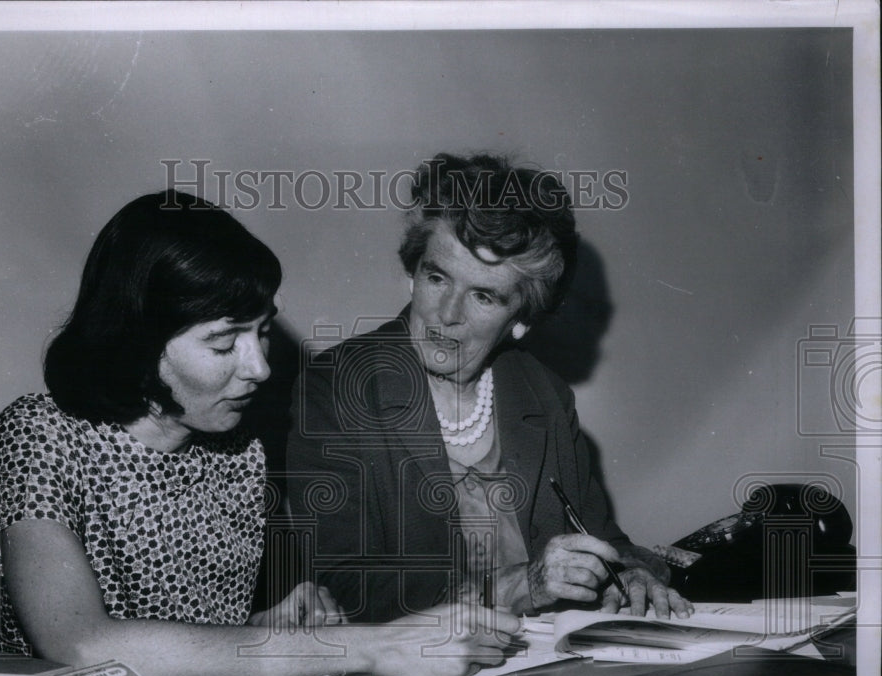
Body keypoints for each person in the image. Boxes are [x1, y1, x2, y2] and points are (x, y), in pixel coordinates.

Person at [0, 190, 520, 676]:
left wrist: (273, 625)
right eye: (223, 342)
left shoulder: (238, 450)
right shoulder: (39, 434)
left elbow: (196, 644)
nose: (259, 366)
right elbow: (81, 645)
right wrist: (371, 647)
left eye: (260, 331)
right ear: (137, 338)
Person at [287, 153, 692, 623]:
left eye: (484, 296)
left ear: (521, 320)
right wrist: (524, 585)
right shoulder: (340, 386)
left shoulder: (544, 394)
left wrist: (634, 573)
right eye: (436, 277)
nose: (448, 312)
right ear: (412, 273)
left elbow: (603, 540)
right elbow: (345, 584)